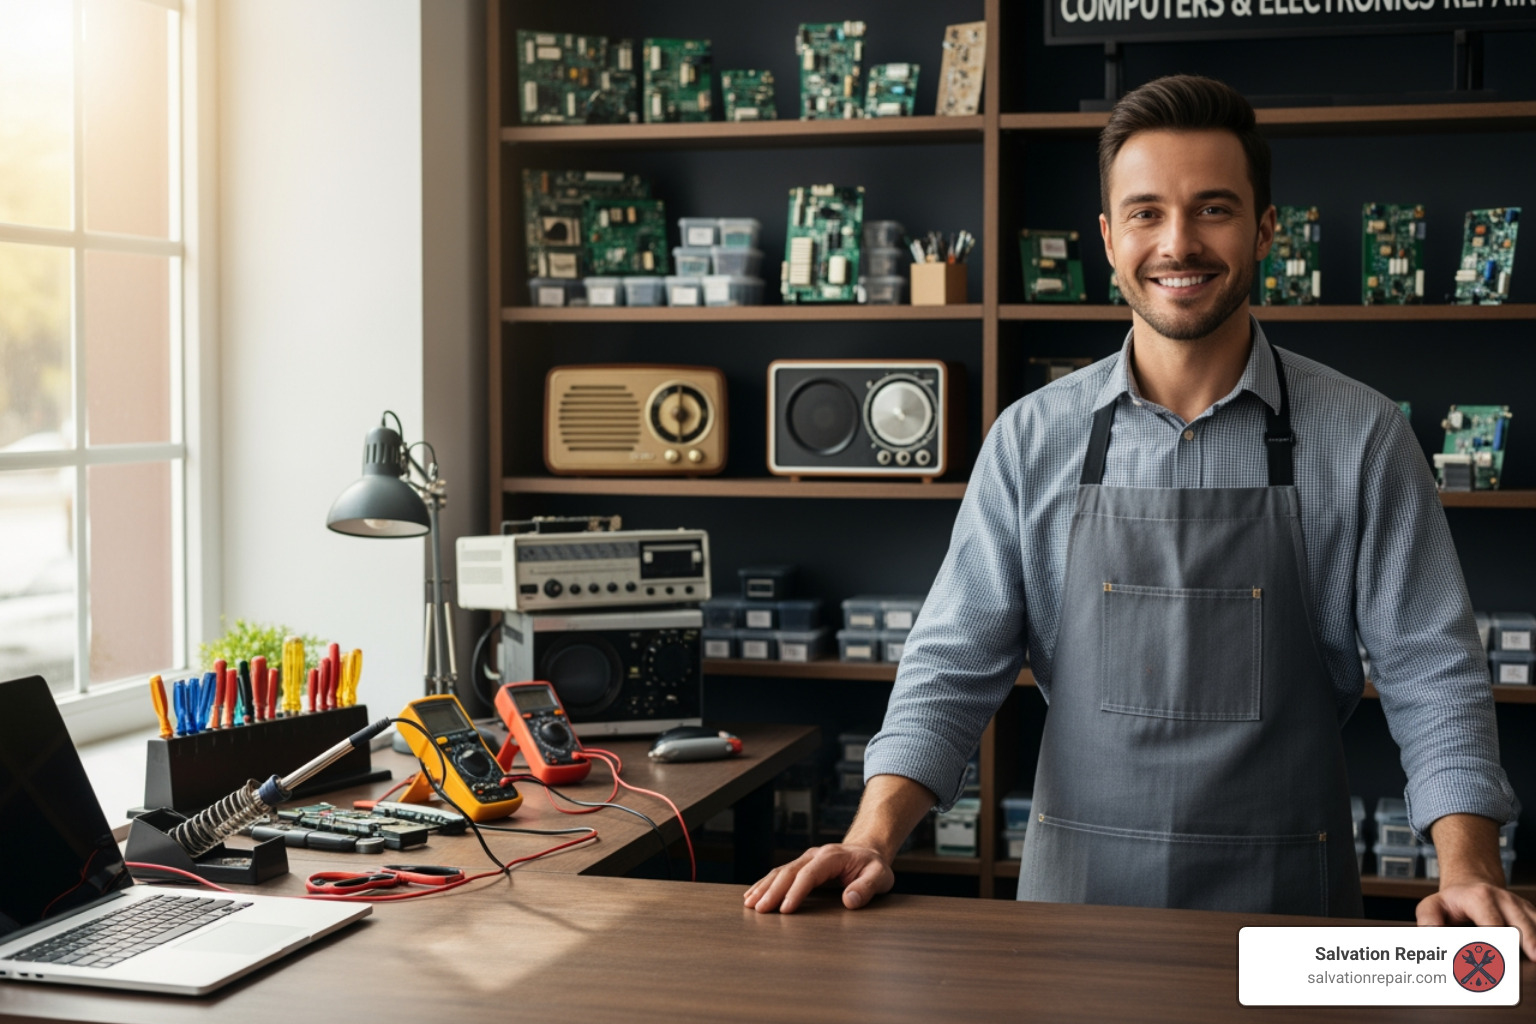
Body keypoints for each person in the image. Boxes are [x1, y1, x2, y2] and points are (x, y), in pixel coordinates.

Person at [743, 74, 1535, 959]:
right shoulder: (1032, 440)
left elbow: (1434, 670)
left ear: (1266, 229)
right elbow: (951, 663)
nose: (1179, 244)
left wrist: (1468, 868)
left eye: (1214, 209)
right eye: (1147, 212)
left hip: (1286, 918)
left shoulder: (1360, 437)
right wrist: (871, 838)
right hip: (1074, 917)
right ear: (1110, 239)